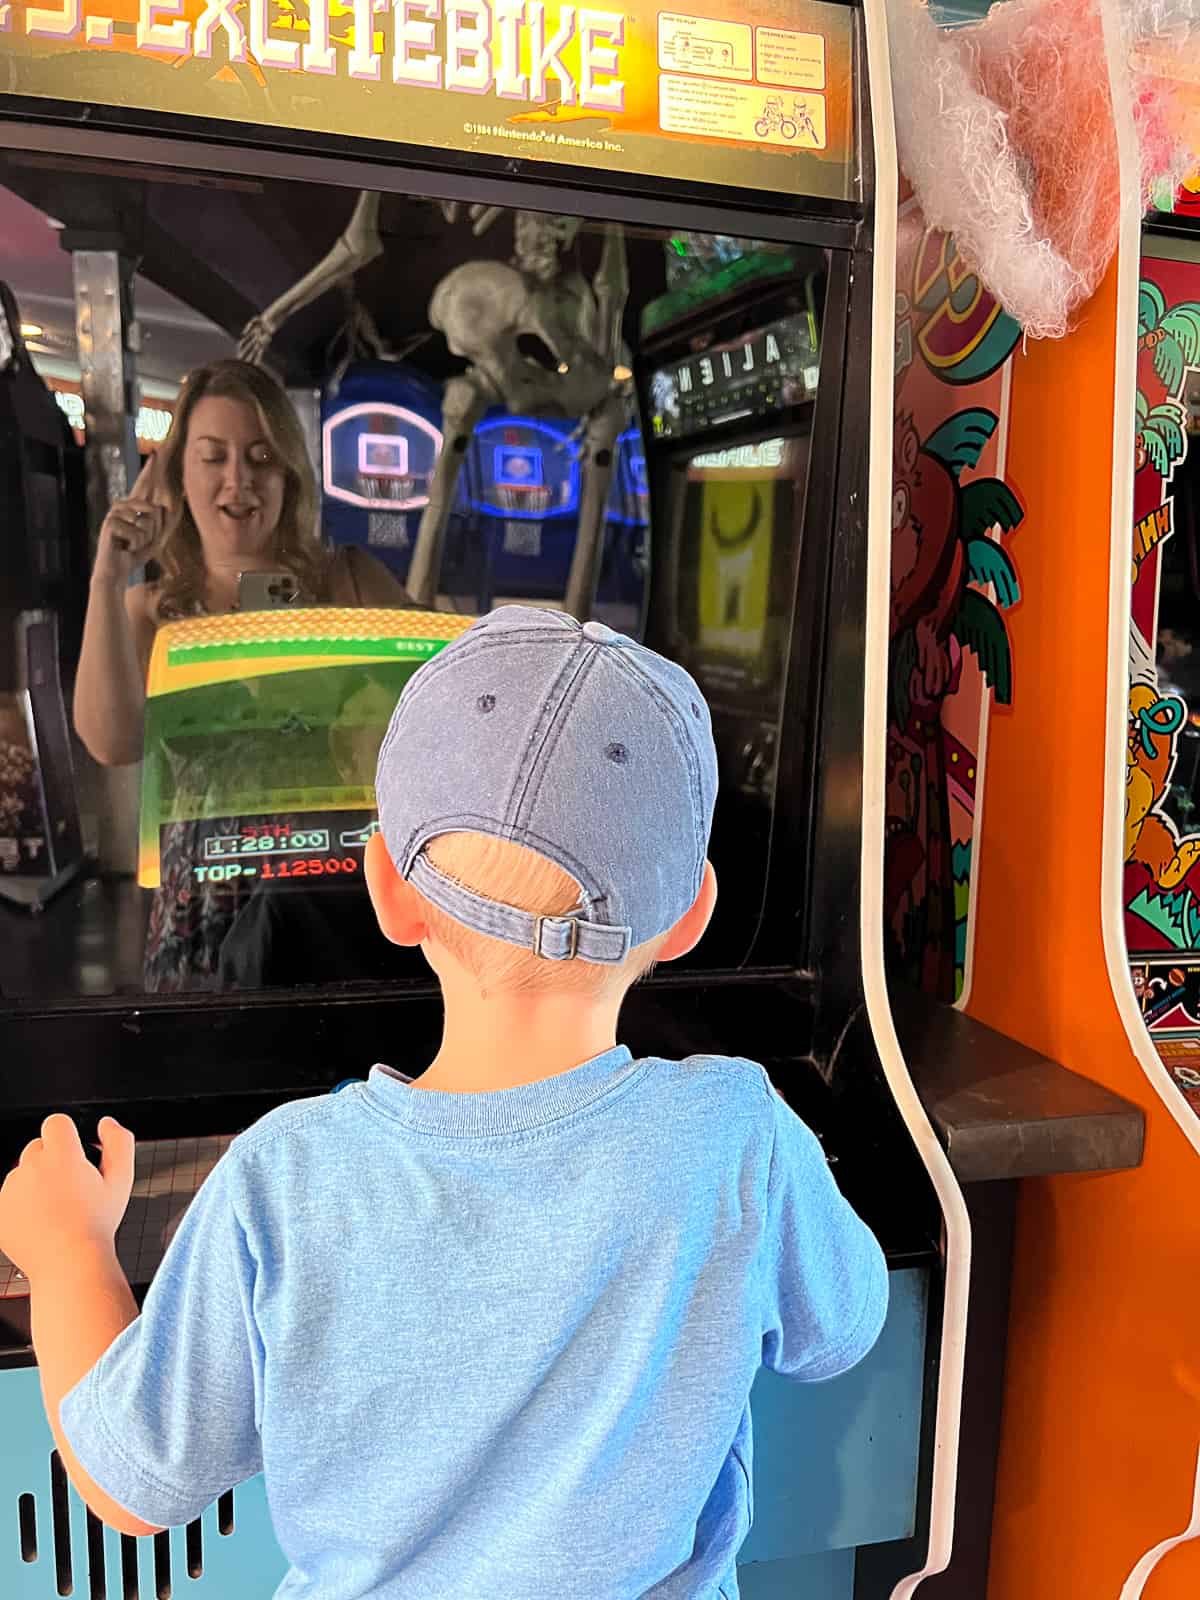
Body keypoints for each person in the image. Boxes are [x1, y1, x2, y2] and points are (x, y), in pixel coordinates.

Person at [0, 606, 888, 1598]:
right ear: (690, 917)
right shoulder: (738, 1137)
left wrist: (68, 1251)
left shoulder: (285, 1181)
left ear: (389, 890)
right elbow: (841, 1327)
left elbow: (131, 1484)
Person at [72, 357, 418, 990]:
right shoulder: (151, 610)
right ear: (178, 472)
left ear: (289, 474)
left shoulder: (349, 580)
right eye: (214, 457)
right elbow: (109, 741)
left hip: (339, 905)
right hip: (203, 915)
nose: (240, 481)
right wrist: (106, 575)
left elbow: (443, 694)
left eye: (261, 458)